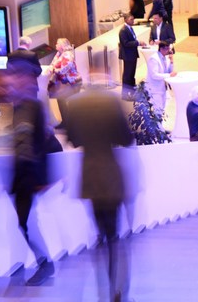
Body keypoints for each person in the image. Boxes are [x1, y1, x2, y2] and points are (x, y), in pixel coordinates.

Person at [65, 84, 134, 300]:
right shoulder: (111, 101)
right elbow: (126, 139)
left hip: (90, 175)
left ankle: (104, 289)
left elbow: (73, 140)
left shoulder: (75, 103)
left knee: (101, 232)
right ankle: (114, 289)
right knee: (114, 235)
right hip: (110, 175)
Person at [9, 68, 55, 286]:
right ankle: (44, 262)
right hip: (21, 175)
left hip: (30, 175)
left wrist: (42, 178)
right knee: (24, 222)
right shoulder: (18, 107)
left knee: (25, 221)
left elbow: (43, 143)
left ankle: (45, 263)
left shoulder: (34, 107)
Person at [47, 38, 81, 129]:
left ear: (62, 45)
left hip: (70, 82)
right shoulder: (58, 54)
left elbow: (63, 70)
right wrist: (52, 68)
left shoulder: (67, 55)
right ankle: (65, 122)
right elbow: (52, 64)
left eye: (57, 43)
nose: (55, 45)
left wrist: (54, 70)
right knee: (61, 101)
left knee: (65, 102)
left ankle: (70, 124)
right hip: (62, 82)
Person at [7, 36, 43, 116]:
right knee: (31, 108)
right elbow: (38, 71)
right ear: (28, 44)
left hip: (15, 86)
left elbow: (9, 71)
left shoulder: (11, 55)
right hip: (30, 86)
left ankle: (17, 122)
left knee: (17, 108)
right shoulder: (32, 55)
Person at [145, 40, 176, 115]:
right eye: (167, 49)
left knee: (162, 108)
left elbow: (169, 71)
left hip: (163, 88)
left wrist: (171, 61)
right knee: (158, 110)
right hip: (155, 89)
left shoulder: (165, 58)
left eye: (169, 49)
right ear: (161, 49)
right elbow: (154, 75)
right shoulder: (154, 59)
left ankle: (159, 122)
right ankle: (157, 122)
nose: (169, 51)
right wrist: (169, 75)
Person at [118, 12, 140, 99]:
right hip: (128, 56)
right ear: (126, 20)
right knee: (127, 75)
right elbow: (126, 43)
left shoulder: (130, 28)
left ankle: (132, 91)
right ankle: (125, 94)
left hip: (132, 54)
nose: (133, 21)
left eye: (133, 19)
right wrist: (137, 43)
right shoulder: (123, 31)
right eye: (131, 19)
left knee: (132, 74)